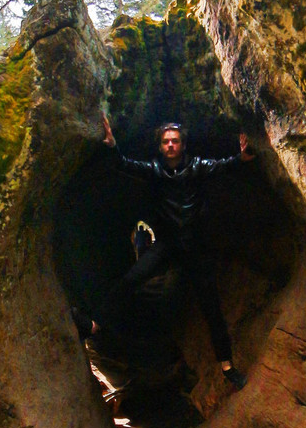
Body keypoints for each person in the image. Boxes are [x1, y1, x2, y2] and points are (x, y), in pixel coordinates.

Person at [75, 116, 255, 390]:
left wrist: (243, 156)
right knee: (130, 280)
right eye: (166, 142)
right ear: (160, 147)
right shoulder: (155, 170)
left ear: (183, 145)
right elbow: (125, 165)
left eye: (175, 141)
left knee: (212, 309)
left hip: (195, 248)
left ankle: (228, 368)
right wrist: (112, 145)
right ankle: (94, 326)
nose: (171, 145)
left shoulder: (196, 167)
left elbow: (225, 166)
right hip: (168, 245)